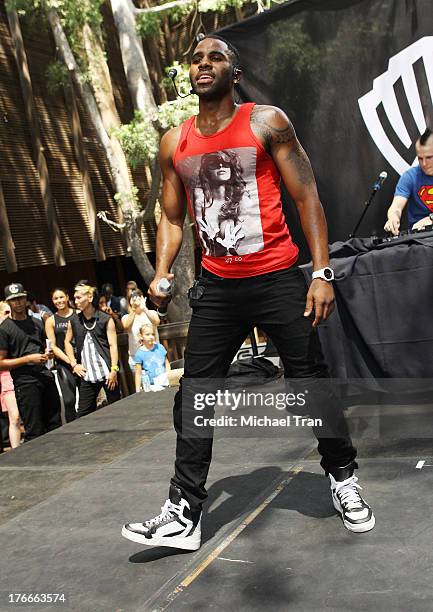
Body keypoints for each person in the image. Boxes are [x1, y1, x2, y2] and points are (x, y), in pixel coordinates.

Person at [122, 35, 375, 551]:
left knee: (310, 387)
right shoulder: (176, 142)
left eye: (215, 57)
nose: (203, 65)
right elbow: (172, 217)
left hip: (277, 279)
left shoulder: (266, 122)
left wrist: (322, 273)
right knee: (195, 395)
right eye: (196, 59)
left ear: (234, 73)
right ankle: (185, 511)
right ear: (189, 74)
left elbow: (307, 197)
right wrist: (163, 271)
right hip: (217, 287)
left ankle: (343, 477)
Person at [0, 283, 61, 442]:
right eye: (13, 300)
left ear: (26, 298)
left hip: (45, 376)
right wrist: (28, 359)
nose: (18, 303)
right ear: (8, 302)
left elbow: (44, 346)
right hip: (25, 382)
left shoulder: (37, 322)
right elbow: (1, 363)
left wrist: (48, 353)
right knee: (34, 429)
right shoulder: (5, 328)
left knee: (55, 423)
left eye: (20, 298)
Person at [64, 283, 120, 417]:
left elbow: (113, 345)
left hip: (107, 372)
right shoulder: (74, 320)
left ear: (89, 298)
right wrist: (73, 364)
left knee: (117, 409)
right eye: (75, 298)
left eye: (78, 298)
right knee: (83, 413)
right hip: (87, 374)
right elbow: (67, 342)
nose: (75, 301)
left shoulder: (105, 319)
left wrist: (114, 370)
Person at [384, 127, 433, 235]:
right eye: (420, 158)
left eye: (429, 157)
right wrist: (393, 218)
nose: (424, 163)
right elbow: (396, 206)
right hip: (418, 238)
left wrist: (430, 219)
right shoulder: (410, 176)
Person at [45, 288, 78, 423]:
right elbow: (52, 345)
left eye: (61, 297)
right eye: (56, 298)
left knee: (87, 399)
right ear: (53, 301)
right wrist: (70, 361)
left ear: (67, 297)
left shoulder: (78, 314)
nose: (59, 301)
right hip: (64, 364)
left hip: (82, 361)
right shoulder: (51, 320)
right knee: (69, 400)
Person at [0, 301, 21, 448]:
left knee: (20, 417)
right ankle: (15, 450)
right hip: (6, 376)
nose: (9, 315)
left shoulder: (15, 328)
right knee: (14, 416)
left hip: (20, 375)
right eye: (6, 312)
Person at [121, 290, 160, 368]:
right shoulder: (126, 317)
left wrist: (144, 308)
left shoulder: (152, 313)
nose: (136, 298)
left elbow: (156, 322)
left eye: (139, 296)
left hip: (154, 355)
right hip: (136, 358)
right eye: (133, 297)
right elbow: (126, 326)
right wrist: (133, 308)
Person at [134, 324, 170, 392]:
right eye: (147, 334)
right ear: (141, 336)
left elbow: (166, 363)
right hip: (152, 386)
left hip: (165, 382)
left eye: (153, 334)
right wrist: (137, 390)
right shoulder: (139, 354)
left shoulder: (160, 347)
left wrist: (169, 375)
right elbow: (138, 373)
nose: (151, 337)